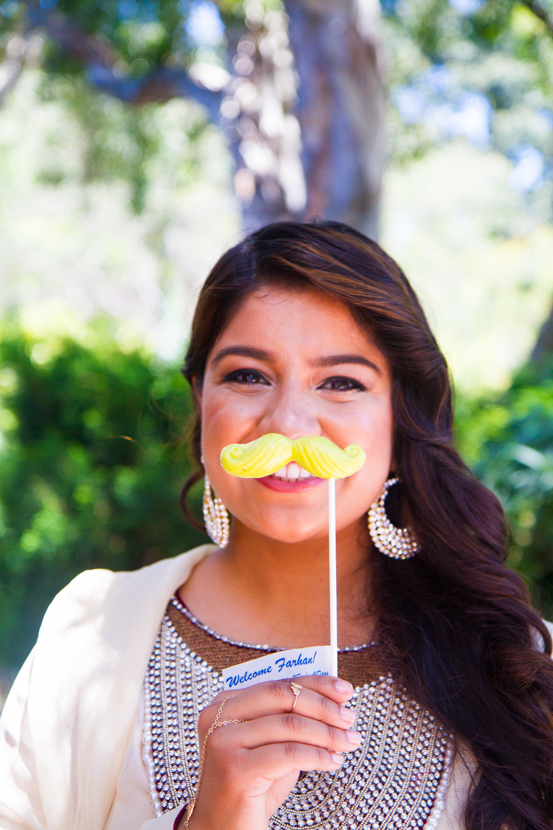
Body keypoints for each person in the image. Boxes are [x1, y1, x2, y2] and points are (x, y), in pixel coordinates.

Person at [1, 220, 553, 830]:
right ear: (200, 400)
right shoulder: (87, 632)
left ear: (399, 423)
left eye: (341, 382)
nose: (289, 425)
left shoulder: (520, 665)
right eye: (248, 376)